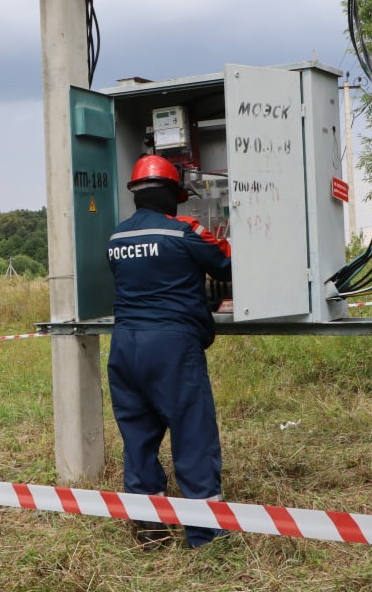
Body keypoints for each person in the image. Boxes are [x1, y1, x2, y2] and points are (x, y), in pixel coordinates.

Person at [106, 154, 232, 549]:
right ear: (173, 196)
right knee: (192, 433)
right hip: (171, 346)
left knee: (139, 437)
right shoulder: (185, 231)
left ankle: (150, 529)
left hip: (124, 346)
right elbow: (228, 263)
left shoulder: (116, 238)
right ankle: (204, 532)